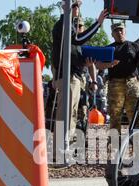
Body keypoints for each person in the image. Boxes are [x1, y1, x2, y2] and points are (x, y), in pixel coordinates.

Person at [51, 0, 106, 160]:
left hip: (75, 78)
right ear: (65, 6)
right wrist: (97, 24)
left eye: (78, 6)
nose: (77, 9)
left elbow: (80, 43)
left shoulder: (70, 28)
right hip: (66, 77)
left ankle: (65, 150)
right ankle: (60, 152)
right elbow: (79, 39)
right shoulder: (63, 24)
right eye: (74, 5)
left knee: (72, 115)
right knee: (65, 115)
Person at [96, 22, 139, 132]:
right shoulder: (109, 49)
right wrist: (109, 65)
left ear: (125, 31)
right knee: (115, 114)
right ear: (112, 34)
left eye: (121, 30)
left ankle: (137, 143)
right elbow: (98, 64)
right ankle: (115, 144)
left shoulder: (135, 46)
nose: (119, 32)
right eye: (116, 30)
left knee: (135, 114)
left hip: (132, 83)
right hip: (115, 84)